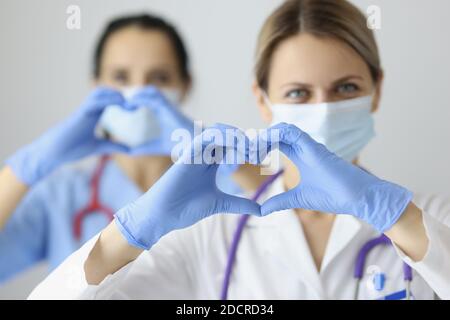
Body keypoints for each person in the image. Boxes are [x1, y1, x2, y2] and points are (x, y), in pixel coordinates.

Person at [28, 0, 450, 300]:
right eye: (298, 92)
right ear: (262, 100)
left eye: (346, 88)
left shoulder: (433, 218)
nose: (323, 109)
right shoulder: (208, 238)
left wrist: (392, 213)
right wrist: (133, 229)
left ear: (377, 91)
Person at [0, 13, 257, 284]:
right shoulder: (62, 195)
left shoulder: (221, 185)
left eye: (159, 78)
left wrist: (213, 151)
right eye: (121, 77)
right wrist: (26, 167)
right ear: (95, 86)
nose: (140, 91)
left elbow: (291, 221)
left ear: (185, 85)